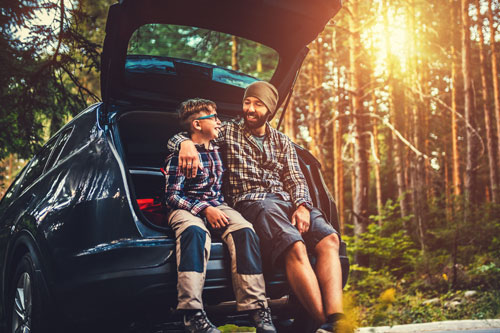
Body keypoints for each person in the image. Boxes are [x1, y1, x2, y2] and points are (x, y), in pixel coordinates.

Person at [168, 82, 351, 333]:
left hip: (287, 202)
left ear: (270, 110)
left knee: (330, 239)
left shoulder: (282, 141)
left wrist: (302, 206)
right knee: (294, 245)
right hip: (253, 202)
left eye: (257, 104)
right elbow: (196, 131)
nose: (250, 109)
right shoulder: (229, 131)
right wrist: (184, 143)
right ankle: (326, 327)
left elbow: (296, 178)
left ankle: (336, 320)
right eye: (247, 102)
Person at [164, 98, 276, 333]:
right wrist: (204, 210)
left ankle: (257, 308)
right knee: (194, 232)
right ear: (196, 124)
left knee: (244, 231)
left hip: (217, 204)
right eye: (213, 118)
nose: (219, 122)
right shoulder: (180, 155)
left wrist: (214, 207)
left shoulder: (217, 148)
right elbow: (173, 196)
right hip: (185, 208)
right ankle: (192, 313)